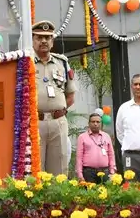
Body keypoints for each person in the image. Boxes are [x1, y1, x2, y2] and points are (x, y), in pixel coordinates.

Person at [32, 20, 75, 176]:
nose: (44, 41)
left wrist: (57, 112)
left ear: (52, 41)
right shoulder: (26, 62)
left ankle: (57, 201)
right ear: (33, 40)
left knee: (59, 169)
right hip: (35, 123)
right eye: (39, 37)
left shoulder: (62, 63)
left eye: (48, 37)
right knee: (35, 171)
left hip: (58, 122)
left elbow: (70, 96)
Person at [76, 112, 116, 183]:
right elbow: (79, 157)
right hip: (88, 172)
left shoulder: (106, 136)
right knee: (90, 194)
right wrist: (80, 174)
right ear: (89, 123)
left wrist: (112, 171)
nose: (95, 124)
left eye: (98, 122)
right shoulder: (82, 137)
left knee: (106, 193)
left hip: (105, 171)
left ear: (101, 124)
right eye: (93, 122)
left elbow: (111, 155)